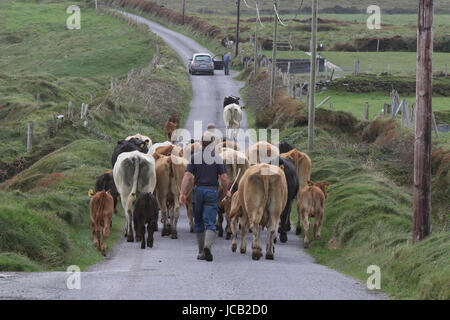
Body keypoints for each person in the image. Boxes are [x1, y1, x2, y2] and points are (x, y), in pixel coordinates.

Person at [179, 130, 231, 262]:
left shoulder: (194, 157)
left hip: (198, 191)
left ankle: (201, 251)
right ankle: (208, 246)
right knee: (210, 222)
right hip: (212, 192)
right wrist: (226, 191)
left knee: (199, 222)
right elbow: (224, 177)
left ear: (201, 143)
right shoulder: (217, 158)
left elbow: (187, 176)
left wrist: (182, 193)